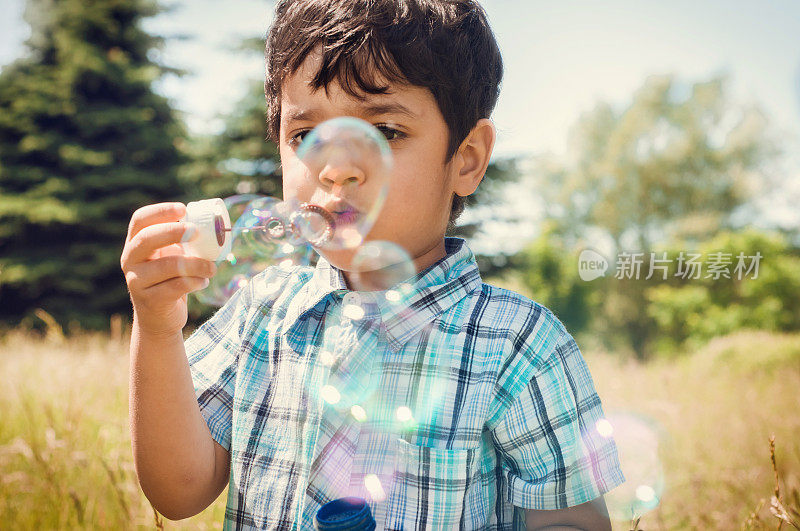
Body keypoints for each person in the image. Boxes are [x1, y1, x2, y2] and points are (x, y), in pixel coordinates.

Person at [120, 0, 625, 529]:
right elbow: (177, 493)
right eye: (304, 136)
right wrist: (157, 329)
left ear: (468, 158)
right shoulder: (260, 311)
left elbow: (572, 520)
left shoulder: (517, 342)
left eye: (385, 131)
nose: (336, 169)